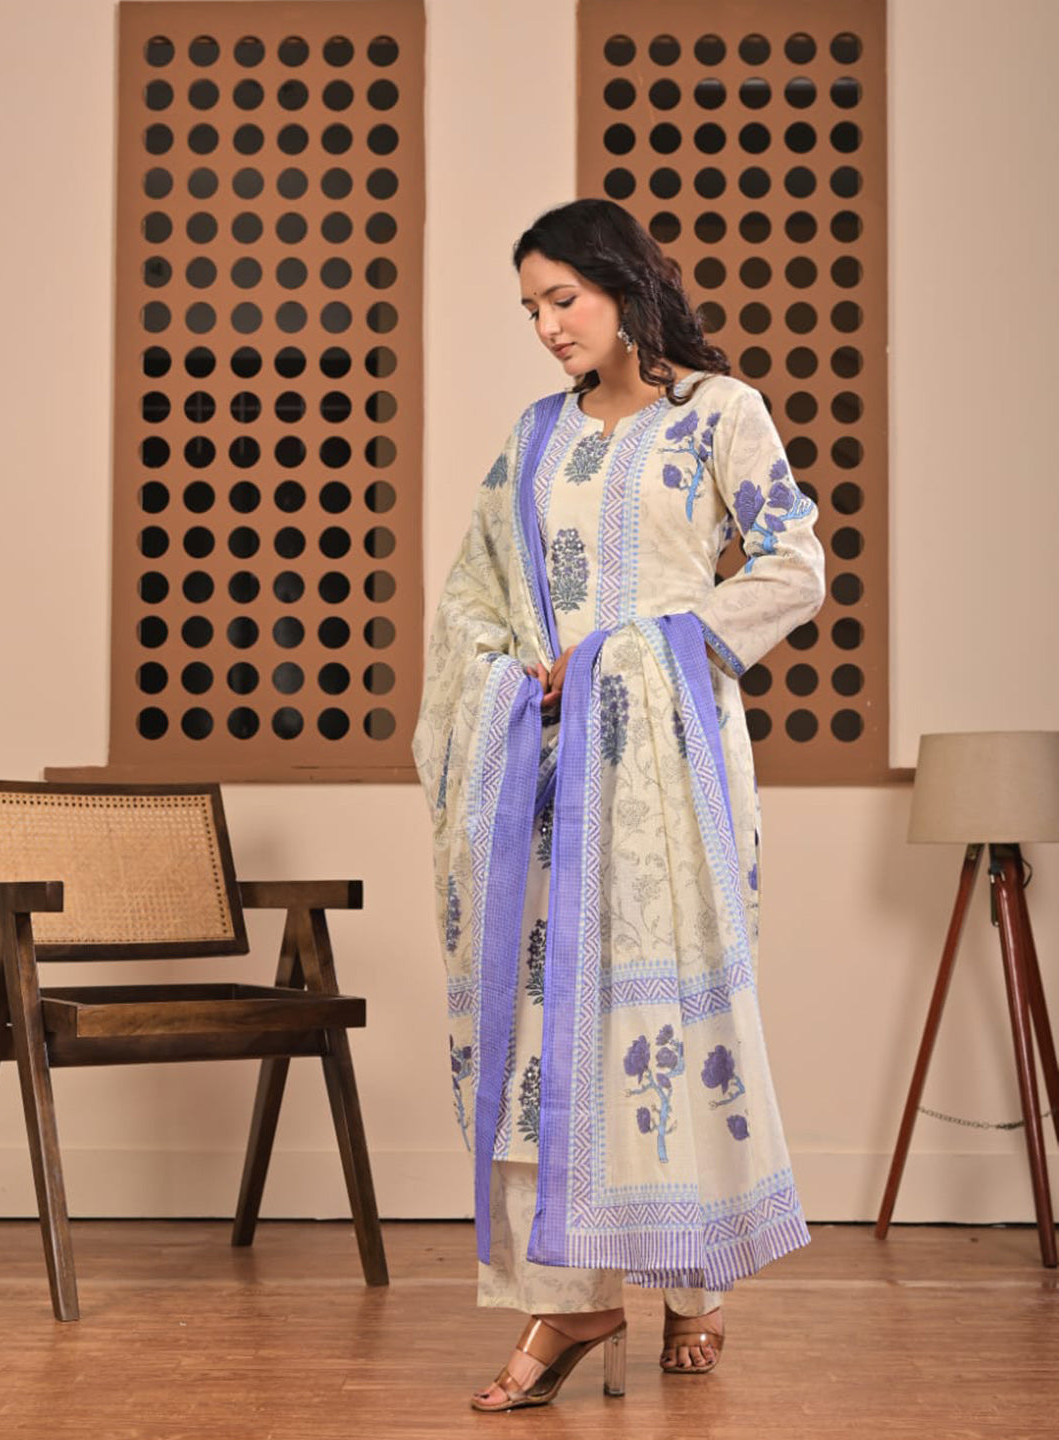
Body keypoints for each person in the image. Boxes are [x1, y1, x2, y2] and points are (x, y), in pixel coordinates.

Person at [412, 198, 826, 1412]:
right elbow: (473, 596)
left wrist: (642, 648)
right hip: (543, 770)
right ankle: (573, 1296)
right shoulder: (535, 438)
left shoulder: (719, 414)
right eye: (531, 309)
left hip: (667, 768)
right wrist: (509, 675)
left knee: (661, 1017)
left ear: (626, 286)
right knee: (548, 1027)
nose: (548, 327)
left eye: (565, 299)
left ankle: (693, 1286)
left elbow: (794, 564)